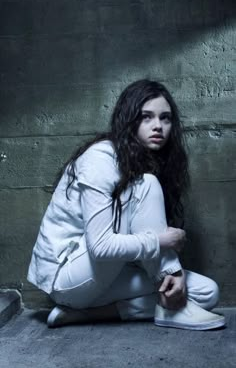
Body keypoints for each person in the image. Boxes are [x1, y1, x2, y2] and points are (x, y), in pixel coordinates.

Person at [27, 79, 225, 330]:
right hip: (69, 277)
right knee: (147, 185)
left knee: (207, 292)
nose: (158, 126)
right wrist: (161, 243)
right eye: (146, 117)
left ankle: (86, 315)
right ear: (129, 120)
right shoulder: (101, 159)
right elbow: (100, 247)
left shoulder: (145, 163)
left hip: (106, 277)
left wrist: (165, 264)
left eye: (165, 118)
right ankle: (168, 291)